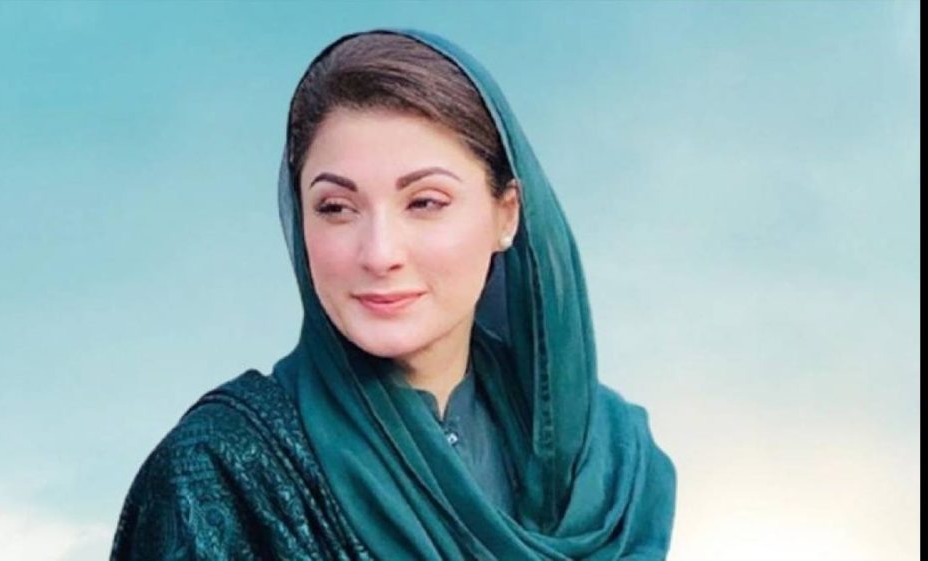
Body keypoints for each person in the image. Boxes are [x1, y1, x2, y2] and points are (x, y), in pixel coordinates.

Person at [110, 28, 676, 561]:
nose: (380, 253)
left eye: (425, 202)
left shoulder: (613, 464)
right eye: (337, 208)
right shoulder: (221, 470)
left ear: (506, 215)